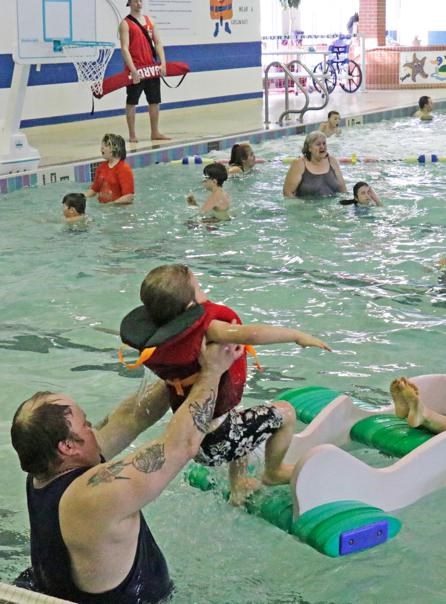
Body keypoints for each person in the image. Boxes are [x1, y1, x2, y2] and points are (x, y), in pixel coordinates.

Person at [10, 342, 242, 603]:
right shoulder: (92, 496)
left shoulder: (46, 465)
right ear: (67, 447)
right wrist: (212, 372)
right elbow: (181, 445)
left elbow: (132, 416)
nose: (91, 426)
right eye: (85, 423)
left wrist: (185, 373)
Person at [119, 264, 331, 504]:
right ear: (189, 306)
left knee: (242, 421)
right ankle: (274, 471)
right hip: (220, 438)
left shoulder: (164, 338)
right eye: (198, 288)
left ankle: (238, 485)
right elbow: (251, 334)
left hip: (193, 437)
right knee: (286, 412)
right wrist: (296, 336)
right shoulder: (208, 330)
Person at [119, 0, 170, 143]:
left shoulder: (150, 21)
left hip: (151, 68)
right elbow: (124, 48)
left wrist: (163, 63)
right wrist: (133, 70)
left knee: (154, 101)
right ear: (130, 3)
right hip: (136, 70)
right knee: (132, 102)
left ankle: (155, 132)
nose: (139, 3)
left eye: (140, 0)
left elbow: (158, 43)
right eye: (135, 1)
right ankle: (132, 134)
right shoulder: (125, 23)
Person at [282, 131, 347, 198]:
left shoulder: (332, 161)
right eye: (318, 144)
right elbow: (287, 193)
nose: (322, 147)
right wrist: (301, 206)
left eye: (324, 143)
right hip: (307, 206)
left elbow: (343, 189)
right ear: (309, 148)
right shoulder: (299, 164)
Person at [84, 134, 134, 205]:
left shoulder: (124, 169)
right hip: (104, 208)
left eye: (106, 146)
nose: (101, 148)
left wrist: (111, 205)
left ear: (115, 149)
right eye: (102, 146)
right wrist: (81, 198)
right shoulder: (101, 168)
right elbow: (94, 190)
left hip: (119, 209)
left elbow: (128, 197)